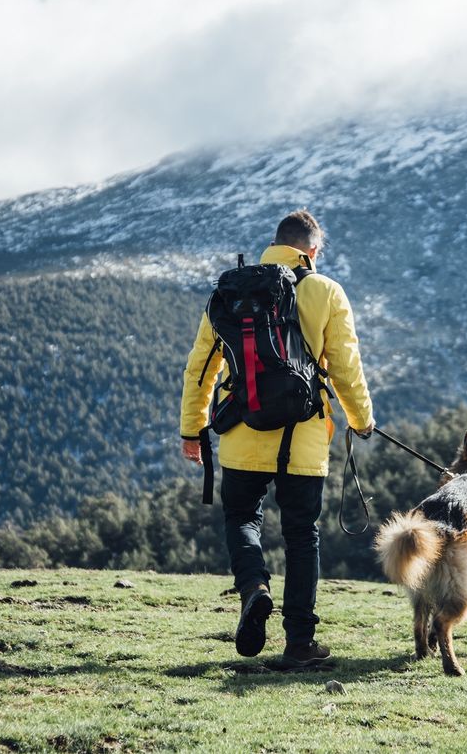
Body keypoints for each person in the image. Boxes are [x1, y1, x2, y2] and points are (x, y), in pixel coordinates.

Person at [180, 209, 375, 665]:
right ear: (312, 250)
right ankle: (299, 644)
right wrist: (361, 419)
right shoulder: (326, 291)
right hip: (304, 438)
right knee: (302, 536)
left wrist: (193, 429)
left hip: (242, 433)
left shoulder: (230, 291)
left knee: (243, 519)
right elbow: (346, 366)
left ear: (274, 243)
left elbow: (201, 368)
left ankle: (254, 588)